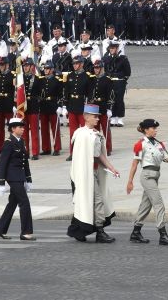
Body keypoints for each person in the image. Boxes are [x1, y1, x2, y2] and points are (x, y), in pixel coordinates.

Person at [127, 119, 168, 245]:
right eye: (153, 128)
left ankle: (136, 232)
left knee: (146, 205)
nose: (156, 130)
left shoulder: (159, 144)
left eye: (156, 128)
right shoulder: (140, 144)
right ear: (146, 130)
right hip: (147, 176)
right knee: (159, 204)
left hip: (155, 176)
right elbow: (134, 164)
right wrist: (130, 182)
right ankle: (162, 234)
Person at [67, 104, 121, 243]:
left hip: (95, 172)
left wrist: (111, 167)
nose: (97, 119)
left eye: (98, 116)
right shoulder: (82, 134)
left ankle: (78, 230)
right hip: (85, 174)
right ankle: (100, 232)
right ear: (86, 117)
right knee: (96, 201)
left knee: (88, 202)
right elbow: (81, 158)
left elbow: (99, 155)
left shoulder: (96, 134)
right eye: (95, 116)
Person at [0, 117, 35, 241]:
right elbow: (2, 163)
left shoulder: (21, 141)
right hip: (12, 177)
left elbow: (25, 162)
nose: (23, 129)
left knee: (12, 203)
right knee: (24, 203)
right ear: (13, 129)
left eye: (23, 127)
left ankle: (0, 230)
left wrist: (28, 179)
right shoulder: (8, 143)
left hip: (20, 176)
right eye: (20, 127)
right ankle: (26, 232)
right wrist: (1, 183)